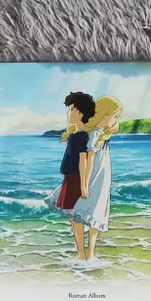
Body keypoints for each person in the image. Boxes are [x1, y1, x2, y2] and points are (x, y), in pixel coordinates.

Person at [44, 92, 97, 259]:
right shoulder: (75, 135)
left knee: (75, 217)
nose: (69, 112)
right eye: (69, 109)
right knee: (73, 217)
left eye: (72, 109)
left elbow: (83, 160)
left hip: (75, 178)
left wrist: (83, 186)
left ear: (81, 113)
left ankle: (81, 254)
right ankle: (80, 253)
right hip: (70, 177)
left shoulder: (80, 136)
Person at [70, 95, 123, 260]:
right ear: (105, 114)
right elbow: (89, 160)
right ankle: (83, 253)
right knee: (81, 212)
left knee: (92, 213)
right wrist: (84, 184)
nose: (116, 120)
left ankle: (87, 254)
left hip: (101, 179)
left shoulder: (101, 134)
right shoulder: (94, 134)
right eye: (115, 116)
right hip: (94, 179)